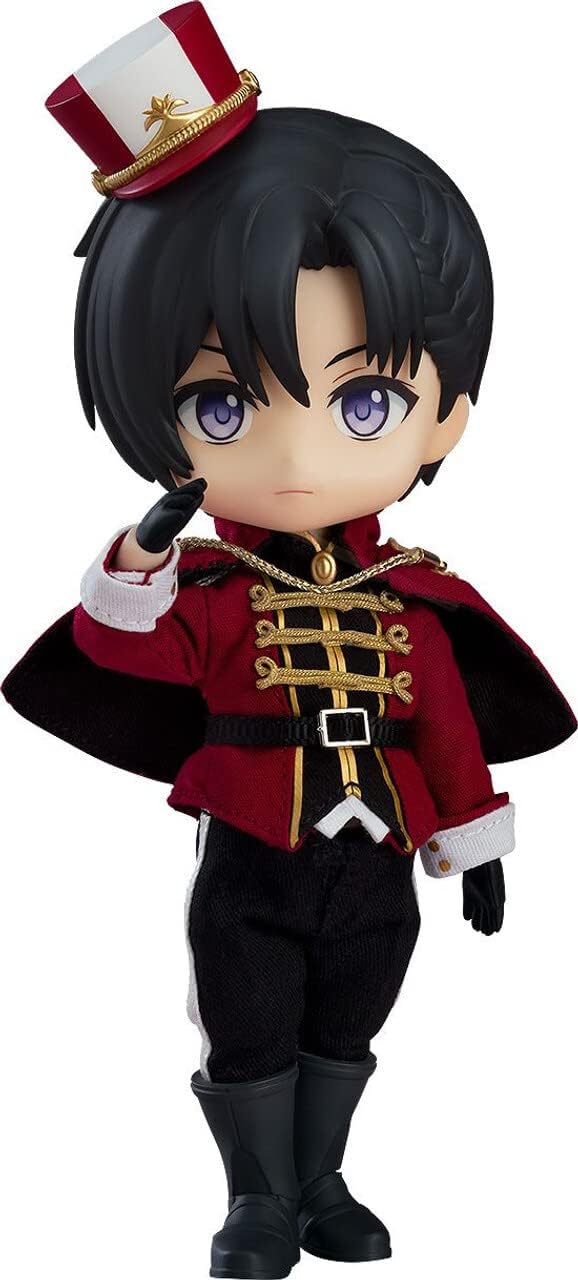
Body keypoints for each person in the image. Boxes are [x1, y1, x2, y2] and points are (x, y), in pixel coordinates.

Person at [3, 6, 575, 1278]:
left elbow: (442, 723)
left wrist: (472, 839)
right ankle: (255, 1195)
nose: (299, 452)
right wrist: (140, 563)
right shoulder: (217, 588)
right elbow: (128, 653)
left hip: (376, 851)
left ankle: (323, 1178)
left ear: (443, 416)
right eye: (220, 403)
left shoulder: (413, 598)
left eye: (364, 399)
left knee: (355, 1007)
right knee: (247, 1014)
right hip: (253, 848)